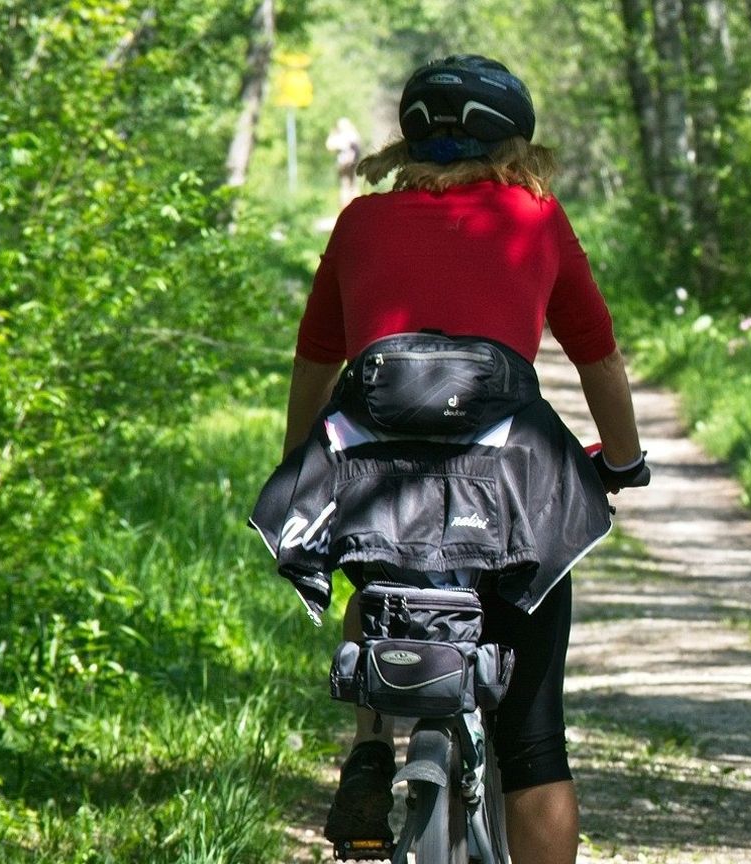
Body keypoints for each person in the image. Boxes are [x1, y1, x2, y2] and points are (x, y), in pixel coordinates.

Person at [273, 55, 647, 864]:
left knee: (373, 567)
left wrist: (299, 463)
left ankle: (373, 743)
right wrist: (622, 459)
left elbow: (315, 364)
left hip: (374, 485)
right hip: (508, 490)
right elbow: (598, 357)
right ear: (513, 142)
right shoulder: (533, 217)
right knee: (535, 743)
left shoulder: (360, 221)